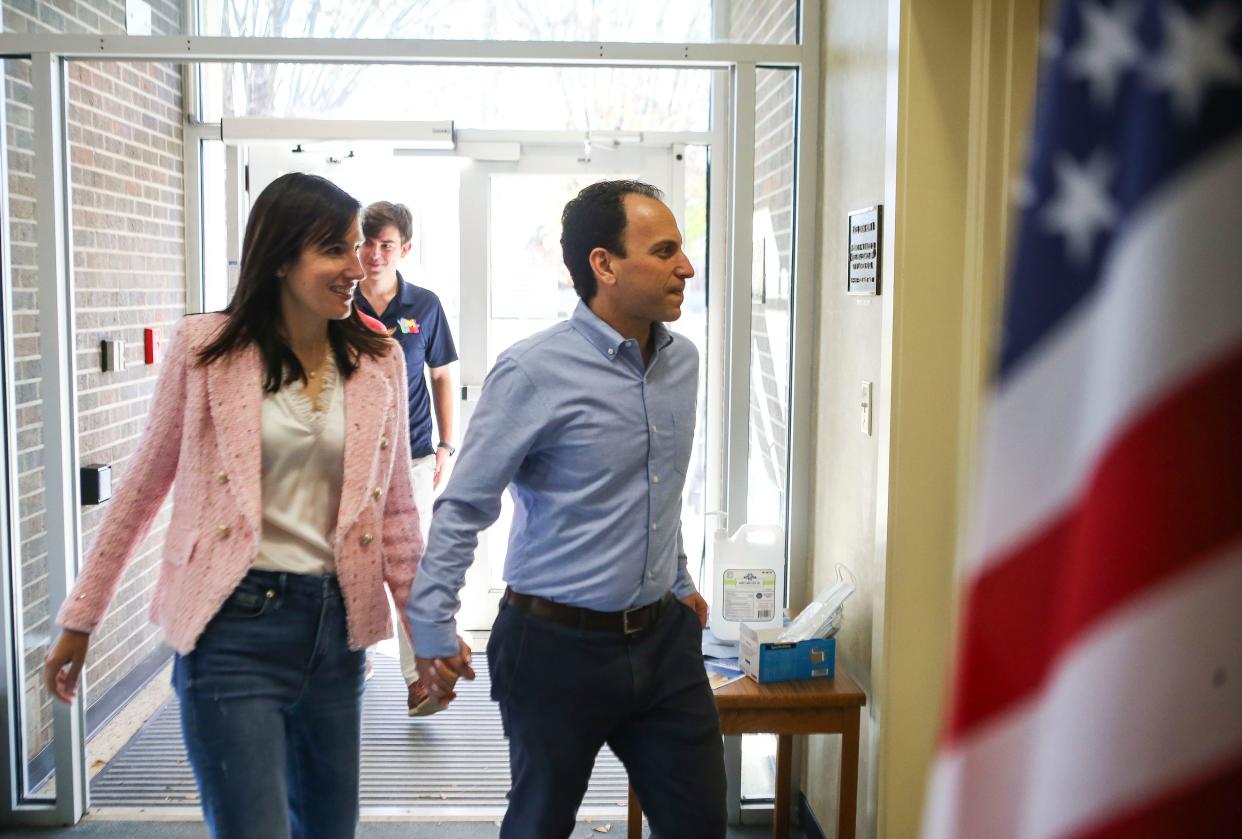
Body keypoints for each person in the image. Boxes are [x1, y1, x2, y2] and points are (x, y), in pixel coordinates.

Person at [43, 173, 468, 839]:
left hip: (336, 631)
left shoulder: (378, 360)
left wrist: (430, 629)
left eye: (359, 247)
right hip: (230, 629)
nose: (358, 266)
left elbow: (393, 520)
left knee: (329, 829)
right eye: (336, 249)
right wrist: (81, 616)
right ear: (279, 257)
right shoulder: (205, 351)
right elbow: (140, 488)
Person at [407, 180, 726, 838]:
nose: (686, 267)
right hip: (555, 648)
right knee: (539, 825)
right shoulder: (532, 371)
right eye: (664, 251)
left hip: (664, 643)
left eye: (682, 250)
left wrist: (682, 581)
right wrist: (431, 625)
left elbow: (658, 486)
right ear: (603, 264)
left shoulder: (683, 364)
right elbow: (464, 506)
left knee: (700, 826)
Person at [354, 200, 459, 715]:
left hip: (412, 455)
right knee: (350, 560)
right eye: (367, 243)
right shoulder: (338, 301)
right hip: (347, 457)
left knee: (408, 564)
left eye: (385, 245)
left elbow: (441, 376)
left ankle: (417, 679)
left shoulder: (425, 306)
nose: (374, 254)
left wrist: (445, 444)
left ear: (405, 250)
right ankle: (353, 656)